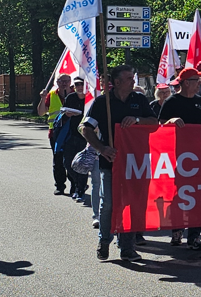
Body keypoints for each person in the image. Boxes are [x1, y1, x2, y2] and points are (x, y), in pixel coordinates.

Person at [80, 65, 159, 262]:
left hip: (135, 162)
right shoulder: (103, 102)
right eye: (129, 78)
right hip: (111, 162)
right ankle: (104, 241)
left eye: (133, 77)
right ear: (117, 82)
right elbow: (86, 128)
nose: (133, 81)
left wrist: (137, 119)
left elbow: (154, 122)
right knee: (108, 204)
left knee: (132, 204)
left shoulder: (139, 99)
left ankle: (127, 247)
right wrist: (102, 148)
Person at [160, 67, 201, 250]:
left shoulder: (200, 101)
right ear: (186, 83)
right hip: (179, 156)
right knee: (179, 194)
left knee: (197, 196)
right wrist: (171, 122)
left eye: (199, 80)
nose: (199, 84)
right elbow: (159, 126)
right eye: (196, 81)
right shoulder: (172, 102)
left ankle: (194, 236)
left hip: (199, 156)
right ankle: (176, 230)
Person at [40, 74, 74, 196]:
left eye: (66, 81)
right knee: (58, 160)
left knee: (71, 160)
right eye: (61, 81)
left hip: (73, 133)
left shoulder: (76, 94)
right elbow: (41, 112)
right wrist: (43, 98)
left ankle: (75, 186)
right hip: (56, 133)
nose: (64, 83)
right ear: (57, 82)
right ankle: (60, 186)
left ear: (70, 82)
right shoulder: (51, 95)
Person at [59, 77, 89, 201]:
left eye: (82, 84)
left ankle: (80, 190)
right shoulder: (70, 98)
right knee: (67, 163)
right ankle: (78, 184)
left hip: (86, 136)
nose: (80, 87)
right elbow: (63, 114)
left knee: (82, 164)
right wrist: (67, 114)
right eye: (77, 85)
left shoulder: (90, 98)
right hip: (71, 135)